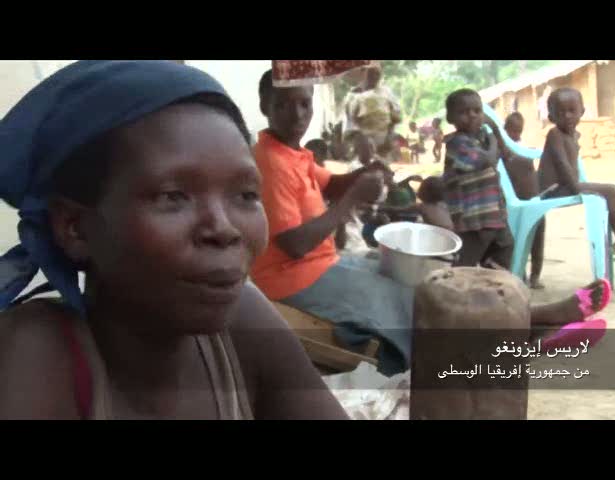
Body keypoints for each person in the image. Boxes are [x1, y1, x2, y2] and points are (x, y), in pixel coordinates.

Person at [0, 61, 349, 420]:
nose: (225, 229)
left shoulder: (245, 320)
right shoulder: (37, 352)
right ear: (74, 226)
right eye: (172, 195)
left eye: (245, 194)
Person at [251, 72, 612, 375]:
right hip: (294, 279)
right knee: (408, 304)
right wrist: (352, 198)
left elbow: (331, 183)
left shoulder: (291, 152)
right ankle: (524, 340)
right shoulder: (270, 163)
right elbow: (292, 244)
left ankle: (529, 323)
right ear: (264, 107)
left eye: (304, 103)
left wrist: (363, 173)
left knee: (422, 281)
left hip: (322, 264)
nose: (297, 113)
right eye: (283, 104)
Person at [538, 87, 615, 256]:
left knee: (614, 190)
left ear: (582, 112)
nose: (567, 116)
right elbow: (562, 163)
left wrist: (577, 185)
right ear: (551, 117)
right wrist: (576, 187)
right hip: (553, 189)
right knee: (610, 191)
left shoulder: (574, 135)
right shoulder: (554, 134)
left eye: (572, 111)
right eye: (561, 112)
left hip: (567, 185)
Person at [442, 89, 514, 270]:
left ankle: (493, 288)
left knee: (505, 249)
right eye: (464, 112)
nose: (472, 115)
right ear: (450, 118)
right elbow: (488, 160)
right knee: (465, 264)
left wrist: (495, 129)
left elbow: (506, 154)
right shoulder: (456, 143)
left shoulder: (483, 138)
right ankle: (453, 293)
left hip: (494, 214)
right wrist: (492, 138)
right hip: (472, 219)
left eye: (477, 110)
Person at [492, 111, 546, 289]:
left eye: (518, 131)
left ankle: (535, 275)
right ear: (504, 130)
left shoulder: (524, 151)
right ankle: (519, 272)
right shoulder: (500, 153)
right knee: (517, 240)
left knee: (538, 240)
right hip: (514, 206)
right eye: (511, 131)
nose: (515, 135)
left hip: (534, 203)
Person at [344, 65, 402, 163]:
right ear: (363, 74)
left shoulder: (386, 92)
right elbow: (350, 120)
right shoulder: (353, 94)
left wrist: (390, 136)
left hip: (383, 139)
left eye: (377, 74)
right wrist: (359, 138)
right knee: (363, 166)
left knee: (382, 168)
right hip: (363, 139)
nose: (375, 77)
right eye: (371, 73)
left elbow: (395, 116)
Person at [380, 176, 454, 231]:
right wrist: (408, 179)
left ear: (423, 192)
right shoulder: (443, 204)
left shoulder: (422, 207)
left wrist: (380, 208)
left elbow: (397, 210)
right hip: (451, 231)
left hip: (438, 234)